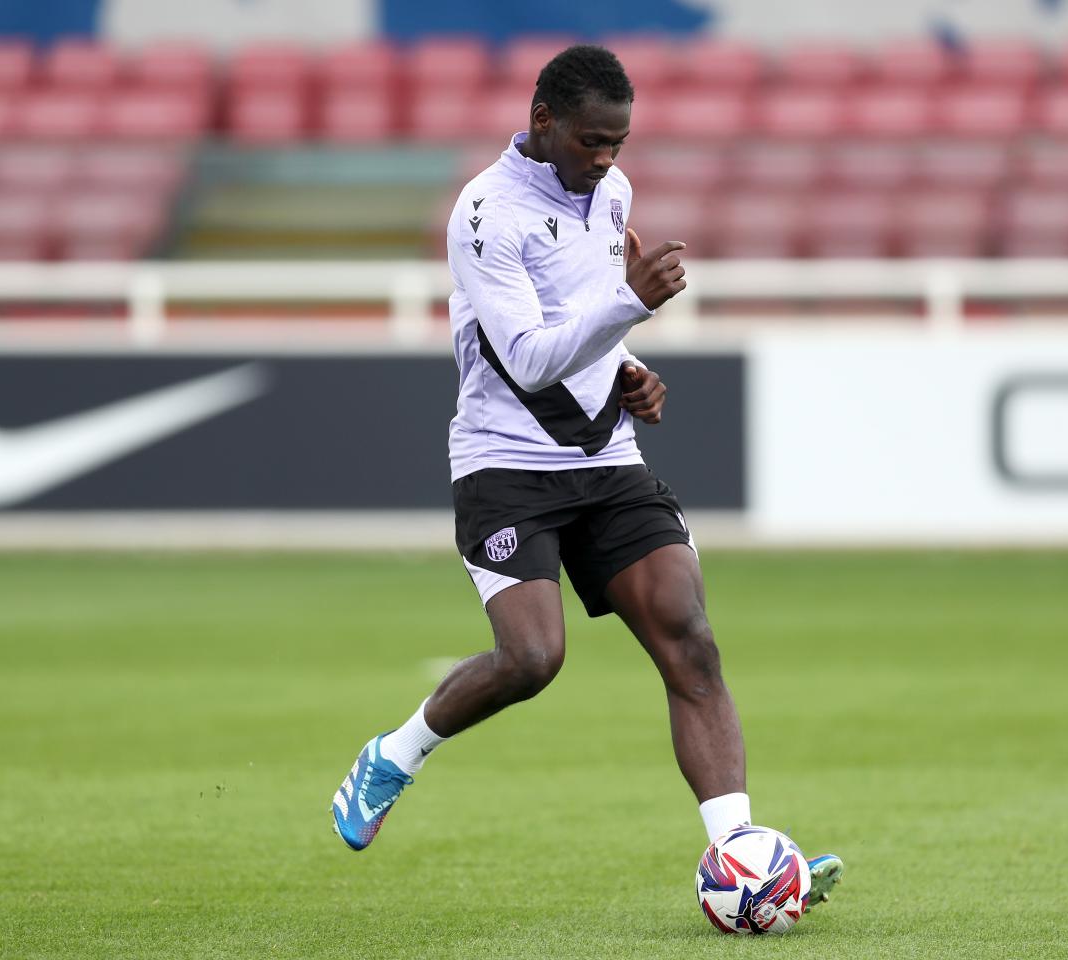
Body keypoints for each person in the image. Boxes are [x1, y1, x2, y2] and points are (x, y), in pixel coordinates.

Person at [330, 43, 841, 909]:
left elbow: (580, 321)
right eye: (592, 141)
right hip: (507, 462)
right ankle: (394, 756)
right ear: (543, 124)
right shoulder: (487, 212)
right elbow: (528, 359)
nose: (607, 160)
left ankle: (739, 852)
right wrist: (631, 304)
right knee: (532, 658)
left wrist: (628, 364)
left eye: (620, 143)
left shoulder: (611, 193)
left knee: (689, 634)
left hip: (603, 455)